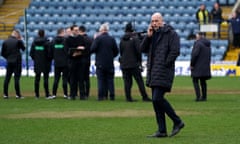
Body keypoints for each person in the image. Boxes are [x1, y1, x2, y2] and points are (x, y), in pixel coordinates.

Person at [140, 13, 184, 138]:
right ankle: (162, 130)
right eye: (152, 21)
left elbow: (175, 51)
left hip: (164, 71)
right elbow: (142, 49)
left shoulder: (171, 34)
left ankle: (177, 121)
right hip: (153, 72)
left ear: (162, 21)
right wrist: (148, 37)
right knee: (156, 102)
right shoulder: (152, 35)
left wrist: (165, 63)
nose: (154, 23)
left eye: (156, 21)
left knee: (157, 99)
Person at [119, 23, 151, 102]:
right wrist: (139, 62)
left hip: (124, 64)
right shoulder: (135, 39)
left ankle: (128, 97)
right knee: (139, 81)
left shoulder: (122, 39)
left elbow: (121, 51)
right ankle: (144, 96)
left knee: (127, 82)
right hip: (134, 64)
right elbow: (139, 51)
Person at [90, 23, 119, 101]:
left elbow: (92, 49)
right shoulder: (112, 39)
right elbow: (116, 51)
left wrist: (94, 40)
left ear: (101, 30)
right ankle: (112, 96)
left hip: (100, 63)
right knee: (110, 80)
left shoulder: (98, 39)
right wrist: (111, 56)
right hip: (109, 63)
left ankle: (101, 96)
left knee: (101, 80)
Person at [1, 30, 25, 99]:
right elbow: (23, 48)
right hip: (17, 62)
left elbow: (2, 53)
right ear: (17, 35)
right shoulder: (18, 41)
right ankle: (18, 94)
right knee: (16, 79)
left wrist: (8, 58)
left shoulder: (5, 42)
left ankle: (5, 94)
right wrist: (20, 40)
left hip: (9, 61)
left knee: (7, 78)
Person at [65, 25, 86, 100]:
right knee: (72, 79)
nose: (77, 31)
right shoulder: (68, 39)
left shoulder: (81, 38)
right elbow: (66, 50)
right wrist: (72, 54)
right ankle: (73, 94)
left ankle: (82, 95)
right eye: (75, 30)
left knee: (81, 79)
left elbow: (85, 48)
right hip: (72, 61)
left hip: (80, 61)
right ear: (71, 30)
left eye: (77, 30)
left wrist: (80, 51)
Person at [30, 29, 51, 99]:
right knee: (46, 79)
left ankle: (37, 95)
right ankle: (47, 94)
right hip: (45, 63)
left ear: (38, 34)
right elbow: (49, 54)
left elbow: (31, 53)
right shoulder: (47, 43)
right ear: (44, 34)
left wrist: (35, 59)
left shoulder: (34, 42)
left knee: (37, 79)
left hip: (37, 63)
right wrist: (48, 60)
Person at [190, 32, 211, 102]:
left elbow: (195, 55)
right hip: (205, 66)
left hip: (197, 66)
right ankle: (204, 97)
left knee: (195, 80)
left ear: (199, 36)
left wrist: (192, 64)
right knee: (203, 81)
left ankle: (198, 96)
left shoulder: (198, 44)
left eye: (197, 35)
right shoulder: (208, 44)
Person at [49, 28, 69, 99]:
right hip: (65, 62)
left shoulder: (53, 41)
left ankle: (54, 94)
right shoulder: (66, 41)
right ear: (62, 32)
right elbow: (68, 51)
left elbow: (50, 52)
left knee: (56, 79)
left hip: (57, 62)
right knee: (65, 79)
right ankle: (65, 94)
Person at [79, 25, 93, 98]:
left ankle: (82, 93)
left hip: (80, 60)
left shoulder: (79, 39)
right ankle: (87, 93)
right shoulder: (90, 39)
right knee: (87, 78)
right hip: (88, 60)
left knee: (81, 78)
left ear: (80, 31)